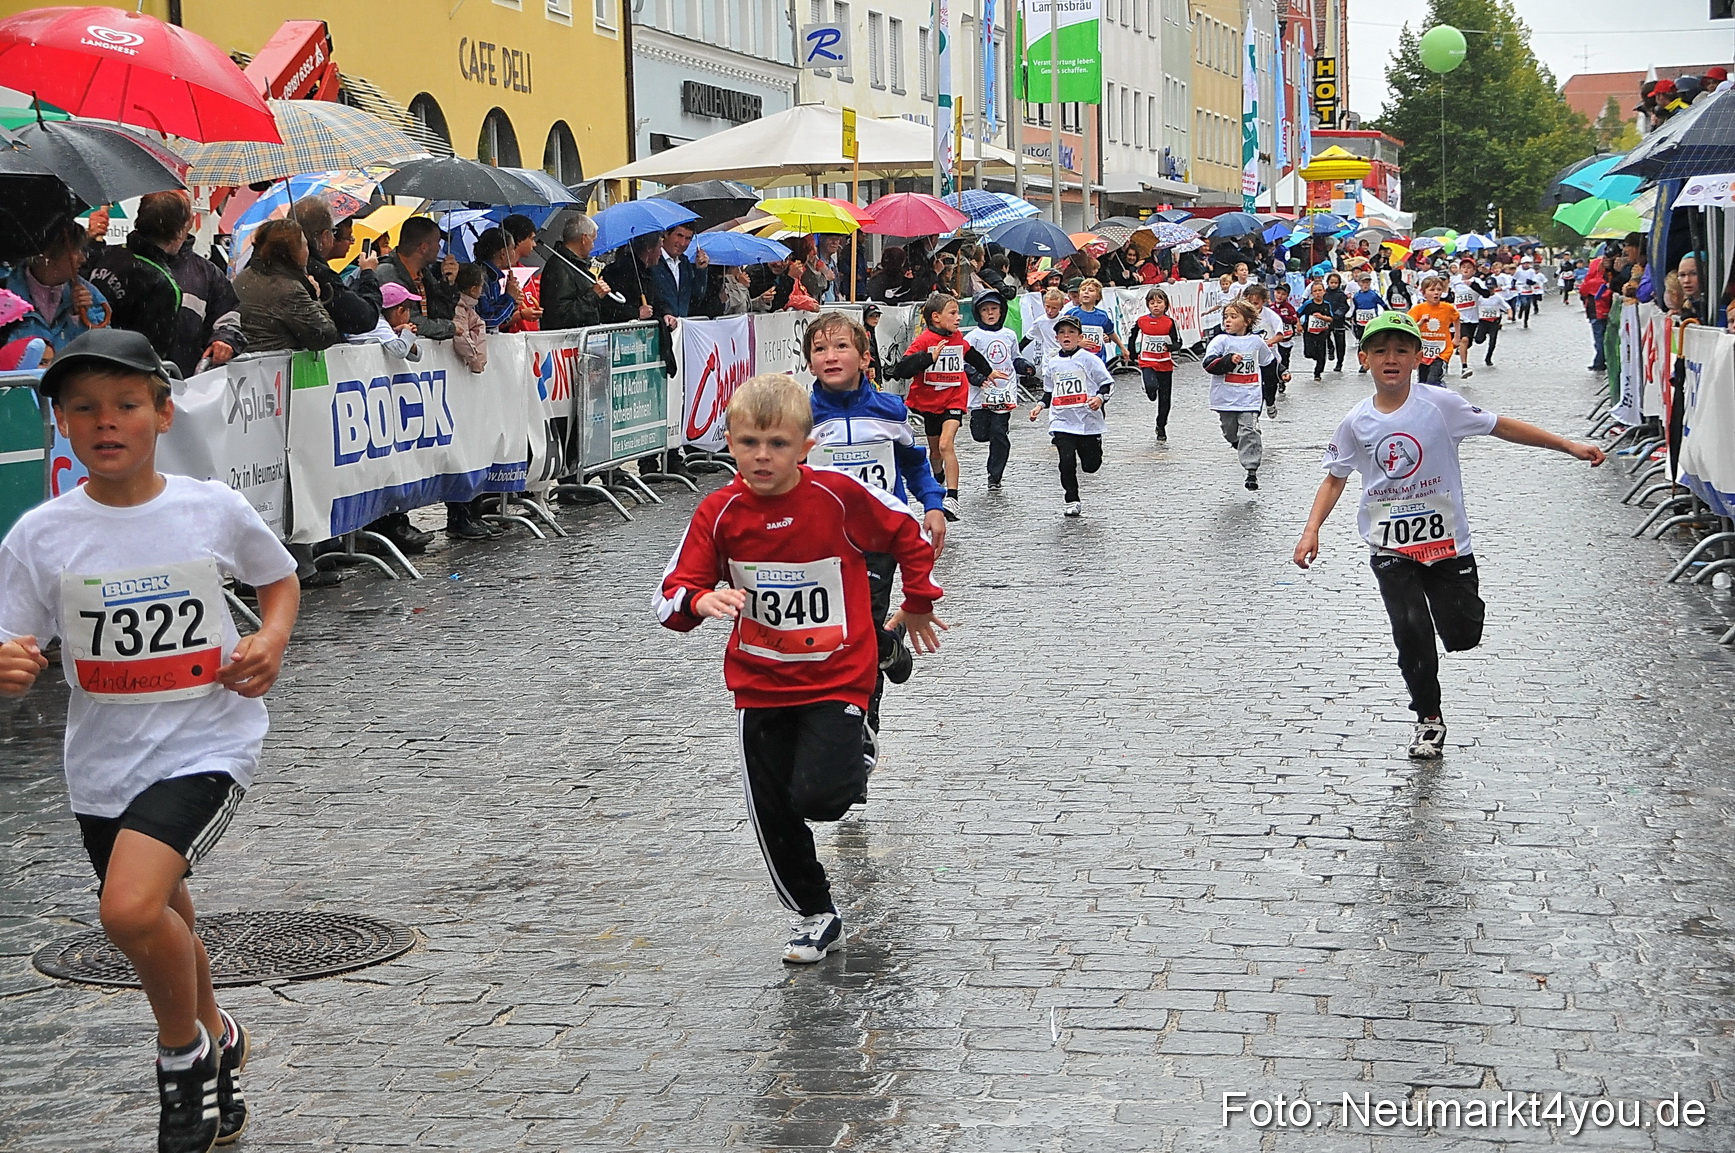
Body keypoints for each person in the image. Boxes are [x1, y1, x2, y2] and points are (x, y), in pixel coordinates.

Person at [0, 327, 300, 1152]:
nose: (107, 422)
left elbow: (278, 577)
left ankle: (183, 1054)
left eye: (127, 404)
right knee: (160, 910)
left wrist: (270, 639)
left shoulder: (210, 507)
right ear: (60, 422)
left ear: (164, 414)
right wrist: (12, 663)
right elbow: (10, 635)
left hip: (208, 740)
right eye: (85, 408)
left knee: (128, 908)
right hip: (103, 762)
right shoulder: (41, 535)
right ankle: (220, 1031)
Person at [655, 374, 945, 963]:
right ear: (729, 443)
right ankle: (817, 914)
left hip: (837, 672)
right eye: (749, 443)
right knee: (773, 809)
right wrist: (700, 600)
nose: (763, 457)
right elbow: (670, 593)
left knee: (822, 798)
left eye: (778, 444)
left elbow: (909, 535)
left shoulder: (837, 496)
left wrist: (917, 600)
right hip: (760, 682)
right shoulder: (718, 512)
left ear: (805, 446)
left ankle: (861, 726)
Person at [1292, 310, 1607, 759]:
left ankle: (1452, 621)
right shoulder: (1355, 421)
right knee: (1410, 631)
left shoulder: (1442, 405)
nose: (1391, 358)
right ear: (1364, 359)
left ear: (1419, 357)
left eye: (1402, 349)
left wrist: (1567, 445)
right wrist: (1311, 530)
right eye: (1380, 350)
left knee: (1461, 634)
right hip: (1390, 543)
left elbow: (1502, 426)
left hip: (1446, 544)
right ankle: (1428, 718)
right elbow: (1335, 477)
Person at [805, 314, 947, 772]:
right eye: (820, 350)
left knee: (860, 631)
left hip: (877, 544)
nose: (830, 357)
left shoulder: (890, 410)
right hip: (820, 547)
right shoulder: (801, 417)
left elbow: (915, 462)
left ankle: (863, 730)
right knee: (832, 638)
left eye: (841, 347)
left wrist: (932, 504)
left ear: (866, 357)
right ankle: (890, 647)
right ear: (809, 362)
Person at [886, 292, 1002, 520]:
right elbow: (902, 369)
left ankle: (952, 497)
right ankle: (937, 475)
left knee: (946, 443)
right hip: (930, 402)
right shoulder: (924, 341)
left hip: (954, 398)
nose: (959, 318)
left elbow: (972, 355)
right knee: (935, 452)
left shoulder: (958, 338)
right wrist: (929, 358)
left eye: (958, 312)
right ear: (936, 317)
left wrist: (989, 371)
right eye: (953, 313)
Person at [87, 191, 192, 360]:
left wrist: (91, 243)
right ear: (180, 232)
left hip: (82, 358)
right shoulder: (163, 285)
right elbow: (152, 355)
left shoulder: (107, 254)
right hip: (119, 371)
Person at [1028, 315, 1113, 517]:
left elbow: (1107, 383)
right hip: (1062, 421)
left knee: (1091, 466)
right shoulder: (1053, 364)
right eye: (1062, 333)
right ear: (1056, 338)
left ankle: (1095, 447)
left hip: (1087, 421)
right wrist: (1039, 406)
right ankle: (1071, 499)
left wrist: (1100, 398)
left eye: (1071, 332)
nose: (1066, 336)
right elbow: (1050, 390)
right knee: (1066, 460)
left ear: (1079, 336)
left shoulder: (1089, 359)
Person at [233, 219, 341, 354]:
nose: (308, 252)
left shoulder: (243, 277)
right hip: (272, 369)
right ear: (294, 251)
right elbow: (324, 336)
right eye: (305, 245)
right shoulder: (289, 290)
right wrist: (315, 298)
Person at [1202, 299, 1274, 491]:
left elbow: (1269, 363)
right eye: (1226, 317)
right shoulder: (1220, 341)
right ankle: (1238, 444)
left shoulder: (1256, 342)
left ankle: (1251, 470)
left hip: (1250, 397)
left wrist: (1280, 375)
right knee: (1229, 430)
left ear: (1247, 321)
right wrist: (1228, 360)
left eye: (1234, 317)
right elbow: (1208, 364)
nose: (1228, 321)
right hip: (1225, 398)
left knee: (1249, 430)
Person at [6, 220, 110, 352]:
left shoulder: (89, 294)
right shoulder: (5, 295)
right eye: (76, 250)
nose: (83, 258)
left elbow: (103, 351)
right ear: (49, 254)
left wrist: (81, 316)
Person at [963, 289, 1027, 489]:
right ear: (978, 312)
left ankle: (995, 475)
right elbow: (965, 362)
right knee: (980, 434)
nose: (990, 313)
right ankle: (993, 440)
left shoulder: (1009, 335)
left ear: (1001, 311)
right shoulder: (973, 337)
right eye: (985, 310)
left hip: (1003, 393)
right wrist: (976, 376)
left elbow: (1014, 357)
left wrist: (1025, 366)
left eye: (994, 309)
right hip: (981, 394)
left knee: (999, 433)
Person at [290, 197, 381, 337]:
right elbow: (364, 318)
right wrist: (368, 274)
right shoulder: (318, 273)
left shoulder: (274, 264)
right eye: (333, 231)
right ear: (325, 236)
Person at [538, 213, 631, 330]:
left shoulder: (577, 265)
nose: (593, 246)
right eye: (593, 240)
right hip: (569, 343)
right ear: (584, 238)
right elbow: (559, 315)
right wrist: (593, 295)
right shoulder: (559, 268)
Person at [376, 216, 458, 341]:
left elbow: (443, 315)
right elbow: (414, 322)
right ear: (423, 248)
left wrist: (448, 283)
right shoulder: (387, 272)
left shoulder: (425, 274)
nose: (439, 248)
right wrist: (450, 328)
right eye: (437, 242)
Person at [1132, 287, 1179, 440]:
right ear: (1148, 305)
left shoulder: (1170, 322)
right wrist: (1133, 353)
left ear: (1166, 304)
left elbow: (1178, 341)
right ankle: (1150, 390)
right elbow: (1132, 337)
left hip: (1165, 364)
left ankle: (1161, 425)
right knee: (1152, 388)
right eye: (1152, 303)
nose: (1156, 305)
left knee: (1165, 399)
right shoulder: (1142, 321)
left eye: (1159, 302)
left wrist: (1171, 347)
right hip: (1147, 362)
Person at [1407, 274, 1460, 385]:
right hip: (1423, 352)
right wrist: (1421, 322)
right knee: (1422, 381)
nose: (1436, 292)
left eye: (1439, 289)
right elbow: (1409, 328)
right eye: (1432, 290)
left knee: (1433, 380)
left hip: (1442, 351)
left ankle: (1440, 394)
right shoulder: (1418, 309)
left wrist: (1456, 337)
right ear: (1423, 293)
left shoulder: (1448, 308)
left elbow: (1456, 318)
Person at [1062, 278, 1127, 367]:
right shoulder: (1071, 314)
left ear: (1098, 296)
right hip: (1077, 358)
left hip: (1098, 358)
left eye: (1091, 290)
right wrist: (1077, 343)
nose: (1086, 292)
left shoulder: (1102, 315)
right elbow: (1063, 335)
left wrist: (1122, 348)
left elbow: (1111, 332)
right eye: (1083, 290)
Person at [1349, 271, 1387, 373]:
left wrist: (1386, 316)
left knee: (1372, 343)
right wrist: (1353, 318)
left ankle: (1373, 362)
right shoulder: (1356, 296)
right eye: (1363, 283)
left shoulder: (1373, 295)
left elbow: (1383, 305)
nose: (1365, 285)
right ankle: (1363, 364)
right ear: (1359, 283)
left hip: (1372, 324)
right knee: (1361, 344)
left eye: (1367, 283)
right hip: (1360, 324)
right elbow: (1355, 308)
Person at [1298, 280, 1335, 381]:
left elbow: (1331, 318)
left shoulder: (1327, 304)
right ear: (1312, 293)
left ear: (1324, 291)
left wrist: (1322, 317)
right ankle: (1314, 356)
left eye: (1320, 290)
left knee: (1322, 356)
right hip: (1309, 333)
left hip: (1322, 333)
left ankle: (1317, 373)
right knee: (1308, 353)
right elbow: (1297, 314)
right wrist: (1298, 325)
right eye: (1315, 291)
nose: (1317, 293)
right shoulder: (1308, 304)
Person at [1323, 271, 1351, 373]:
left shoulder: (1341, 295)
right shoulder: (1324, 294)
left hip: (1338, 321)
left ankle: (1340, 362)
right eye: (1331, 282)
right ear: (1328, 283)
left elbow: (1345, 306)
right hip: (1326, 320)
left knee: (1340, 343)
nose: (1333, 285)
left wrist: (1337, 315)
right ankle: (1330, 348)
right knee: (1325, 337)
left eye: (1335, 283)